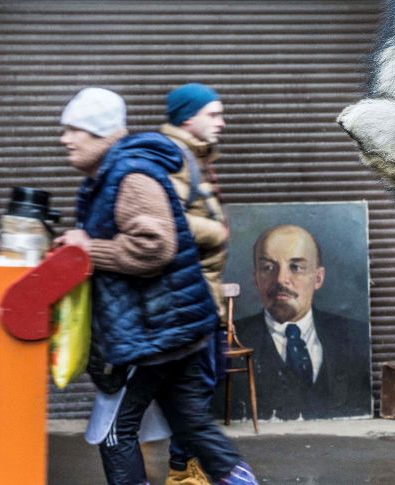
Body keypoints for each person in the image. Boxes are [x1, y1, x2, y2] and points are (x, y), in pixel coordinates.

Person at [54, 87, 257, 485]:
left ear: (99, 132)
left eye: (73, 129)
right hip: (173, 324)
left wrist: (88, 250)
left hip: (154, 331)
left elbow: (155, 248)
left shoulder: (129, 175)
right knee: (192, 425)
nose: (65, 139)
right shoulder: (109, 175)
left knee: (116, 433)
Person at [159, 83, 231, 485]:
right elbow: (165, 221)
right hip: (190, 295)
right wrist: (215, 232)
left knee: (203, 383)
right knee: (195, 387)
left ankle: (188, 465)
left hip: (202, 293)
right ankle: (183, 471)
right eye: (213, 114)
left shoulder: (194, 156)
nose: (221, 122)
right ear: (189, 117)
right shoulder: (176, 157)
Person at [231, 224, 371, 420]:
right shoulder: (229, 343)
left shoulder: (357, 337)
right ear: (256, 279)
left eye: (296, 267)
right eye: (268, 268)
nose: (281, 280)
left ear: (318, 278)